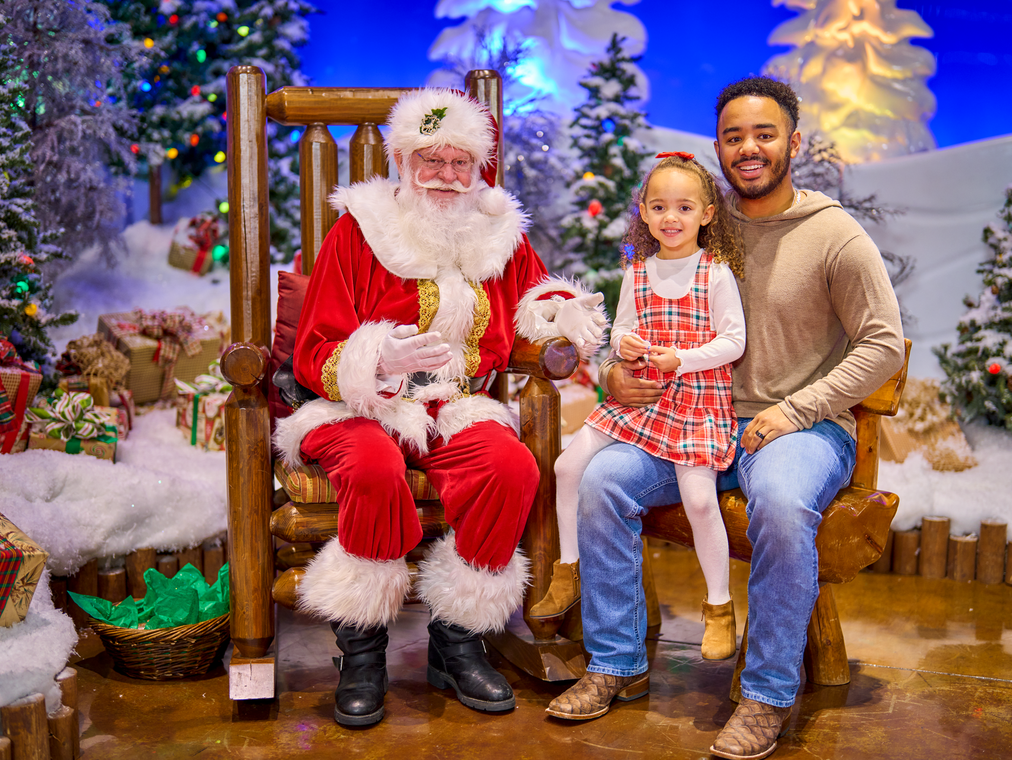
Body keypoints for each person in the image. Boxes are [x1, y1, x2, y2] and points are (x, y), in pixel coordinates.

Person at [546, 76, 904, 760]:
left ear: (793, 143)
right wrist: (618, 376)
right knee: (600, 481)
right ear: (717, 148)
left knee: (776, 499)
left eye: (765, 134)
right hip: (691, 420)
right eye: (734, 136)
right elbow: (638, 319)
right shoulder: (695, 218)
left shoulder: (834, 235)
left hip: (798, 427)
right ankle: (615, 663)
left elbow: (883, 344)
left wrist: (796, 409)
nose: (749, 148)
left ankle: (767, 694)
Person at [273, 88, 607, 728]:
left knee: (512, 468)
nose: (448, 177)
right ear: (402, 160)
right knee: (371, 468)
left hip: (454, 404)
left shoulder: (494, 230)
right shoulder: (359, 229)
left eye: (461, 163)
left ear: (478, 167)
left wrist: (560, 307)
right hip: (356, 408)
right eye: (432, 160)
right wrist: (377, 360)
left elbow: (533, 294)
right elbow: (316, 350)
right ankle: (361, 650)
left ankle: (457, 642)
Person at [529, 152, 746, 668]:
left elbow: (734, 341)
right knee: (566, 465)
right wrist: (625, 346)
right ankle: (569, 569)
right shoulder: (638, 271)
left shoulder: (715, 275)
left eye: (685, 207)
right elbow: (623, 327)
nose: (672, 218)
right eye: (659, 207)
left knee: (697, 498)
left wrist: (682, 358)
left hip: (695, 402)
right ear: (644, 214)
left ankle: (718, 605)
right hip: (645, 398)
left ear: (707, 214)